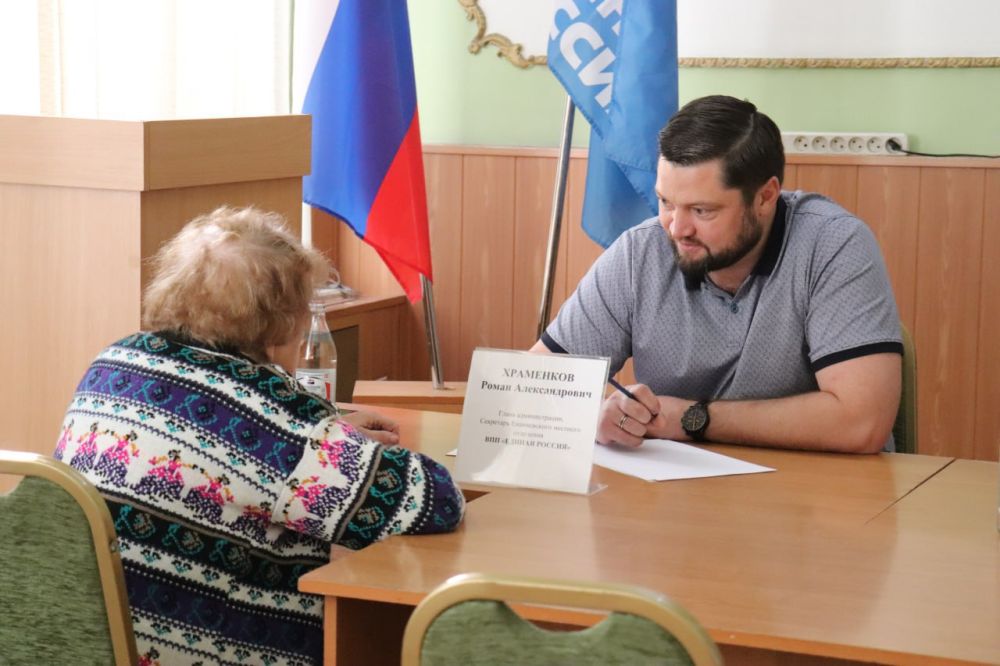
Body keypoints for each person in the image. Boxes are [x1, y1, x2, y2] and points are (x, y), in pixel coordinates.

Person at [54, 206, 465, 666]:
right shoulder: (276, 421)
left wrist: (323, 432)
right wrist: (320, 434)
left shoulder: (112, 365)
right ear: (283, 318)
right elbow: (433, 502)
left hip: (85, 642)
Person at [532, 95, 902, 454]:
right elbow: (536, 385)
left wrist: (693, 419)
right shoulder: (640, 251)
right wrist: (590, 412)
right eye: (666, 202)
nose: (677, 229)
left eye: (701, 210)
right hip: (677, 501)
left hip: (823, 500)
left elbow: (861, 422)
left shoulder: (834, 244)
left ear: (765, 197)